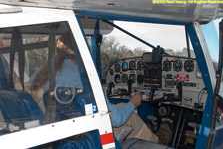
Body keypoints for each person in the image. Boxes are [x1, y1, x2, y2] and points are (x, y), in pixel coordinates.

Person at [28, 32, 172, 145]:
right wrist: (133, 103)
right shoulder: (83, 79)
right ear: (80, 52)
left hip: (59, 135)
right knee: (129, 115)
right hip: (89, 139)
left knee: (122, 106)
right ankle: (157, 141)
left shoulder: (41, 74)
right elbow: (116, 119)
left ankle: (147, 130)